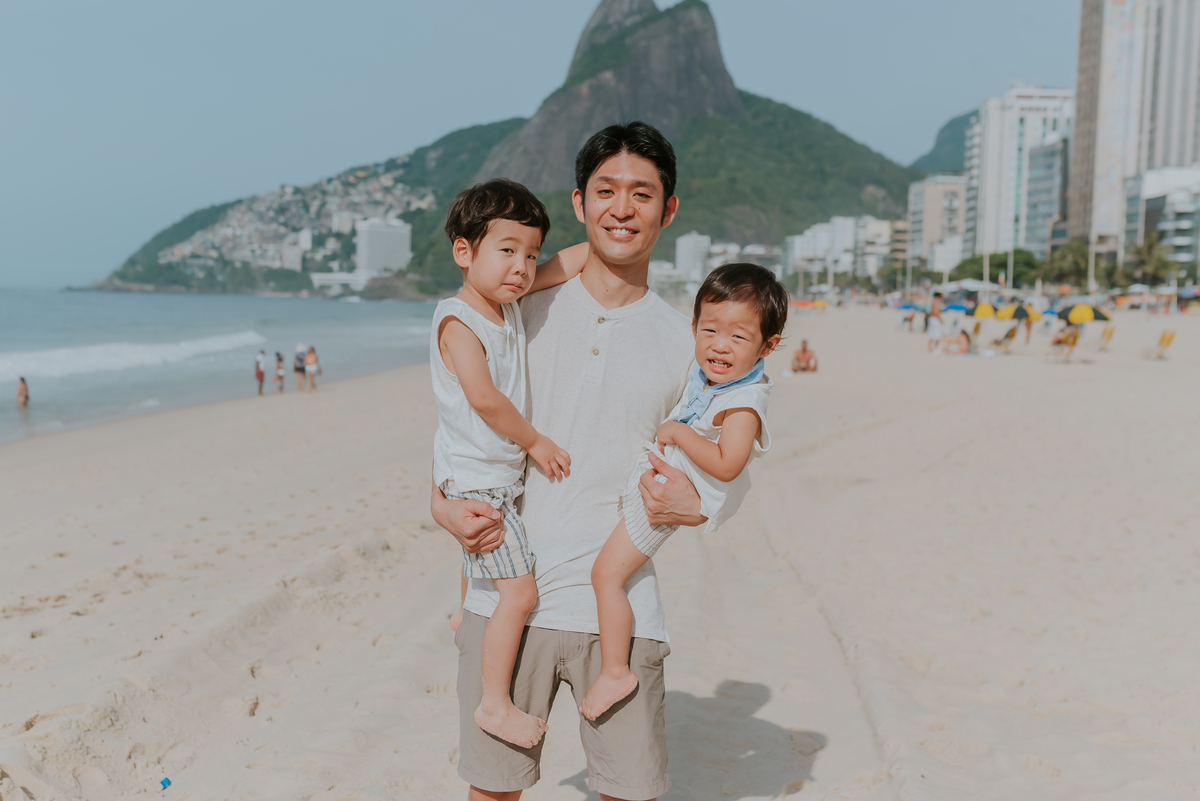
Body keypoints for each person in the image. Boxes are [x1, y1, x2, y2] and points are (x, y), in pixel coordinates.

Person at [431, 121, 702, 800]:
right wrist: (439, 504)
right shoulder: (518, 306)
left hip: (620, 611)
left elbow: (719, 475)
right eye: (606, 190)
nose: (622, 207)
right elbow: (461, 427)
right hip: (506, 600)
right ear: (580, 203)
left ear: (668, 210)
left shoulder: (684, 341)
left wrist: (692, 506)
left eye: (642, 194)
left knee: (630, 790)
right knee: (492, 791)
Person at [579, 263, 783, 721]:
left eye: (738, 337)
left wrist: (678, 433)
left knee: (605, 576)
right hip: (655, 490)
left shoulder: (745, 403)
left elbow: (729, 464)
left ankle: (615, 671)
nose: (719, 346)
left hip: (661, 508)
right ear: (693, 327)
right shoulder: (711, 381)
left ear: (768, 345)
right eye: (709, 330)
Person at [433, 178, 574, 750]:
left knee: (482, 572)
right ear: (464, 252)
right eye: (507, 250)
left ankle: (466, 620)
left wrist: (592, 243)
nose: (522, 267)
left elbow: (566, 264)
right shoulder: (461, 321)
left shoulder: (503, 300)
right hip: (479, 484)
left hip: (483, 477)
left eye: (531, 253)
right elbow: (485, 398)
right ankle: (494, 703)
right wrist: (536, 441)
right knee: (519, 593)